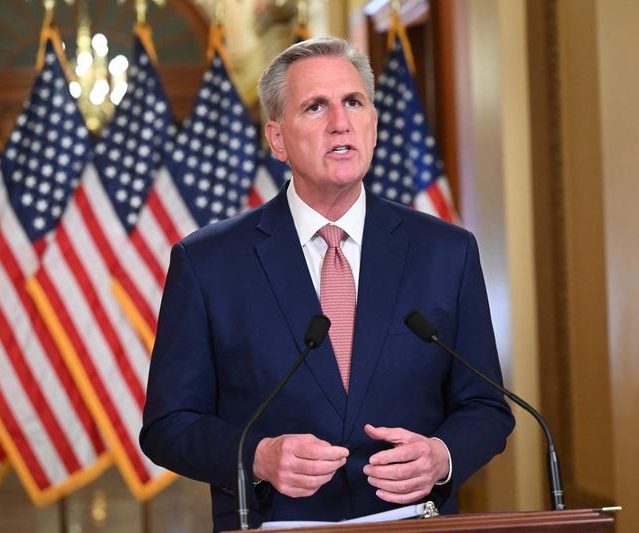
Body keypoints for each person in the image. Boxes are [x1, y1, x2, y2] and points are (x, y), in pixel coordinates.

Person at [140, 36, 514, 532]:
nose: (341, 123)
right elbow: (169, 425)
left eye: (354, 103)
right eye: (316, 107)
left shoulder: (446, 252)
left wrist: (442, 456)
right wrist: (258, 456)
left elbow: (486, 406)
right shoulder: (208, 262)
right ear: (277, 139)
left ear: (374, 126)